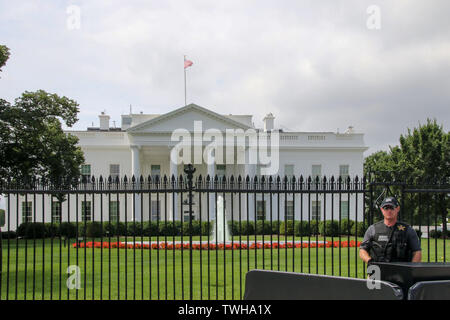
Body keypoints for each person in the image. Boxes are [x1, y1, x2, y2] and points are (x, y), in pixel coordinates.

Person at [359, 196, 422, 264]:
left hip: (401, 272)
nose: (389, 211)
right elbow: (362, 250)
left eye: (392, 208)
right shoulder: (372, 229)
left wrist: (411, 270)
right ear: (381, 209)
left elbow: (417, 252)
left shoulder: (408, 230)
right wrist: (370, 261)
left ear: (397, 209)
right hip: (377, 271)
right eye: (386, 208)